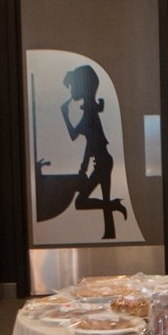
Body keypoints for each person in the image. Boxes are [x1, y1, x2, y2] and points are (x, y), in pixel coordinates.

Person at [61, 65, 127, 240]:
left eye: (73, 87)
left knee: (80, 202)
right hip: (103, 162)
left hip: (103, 163)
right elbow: (88, 143)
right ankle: (110, 227)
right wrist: (83, 168)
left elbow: (77, 137)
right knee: (99, 202)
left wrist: (65, 115)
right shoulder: (90, 111)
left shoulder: (89, 113)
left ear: (83, 86)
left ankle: (112, 208)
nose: (71, 92)